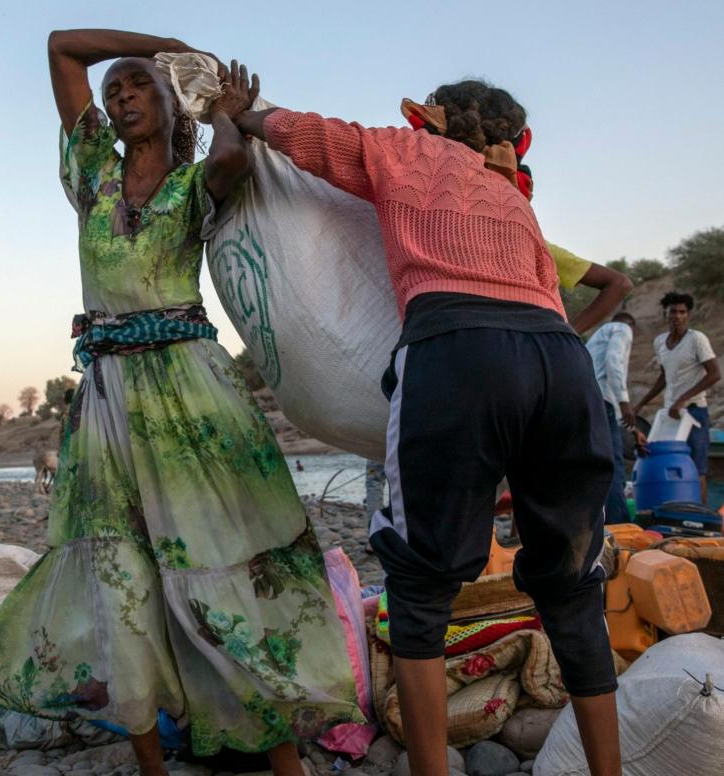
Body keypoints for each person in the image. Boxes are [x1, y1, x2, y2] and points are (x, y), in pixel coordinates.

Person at [0, 30, 362, 776]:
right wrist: (165, 48)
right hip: (110, 405)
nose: (121, 96)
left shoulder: (195, 184)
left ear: (170, 106)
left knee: (228, 568)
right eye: (114, 89)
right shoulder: (91, 176)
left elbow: (230, 158)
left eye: (139, 86)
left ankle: (286, 759)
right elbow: (61, 48)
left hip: (192, 398)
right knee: (119, 576)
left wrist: (216, 99)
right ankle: (150, 763)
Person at [238, 80, 621, 775]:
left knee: (420, 590)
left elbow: (305, 134)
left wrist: (241, 111)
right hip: (560, 363)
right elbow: (550, 288)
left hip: (456, 350)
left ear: (430, 118)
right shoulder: (513, 195)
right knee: (572, 584)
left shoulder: (402, 150)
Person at [635, 291, 720, 503]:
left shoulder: (696, 339)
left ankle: (700, 521)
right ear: (666, 313)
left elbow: (714, 374)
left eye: (682, 312)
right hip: (671, 415)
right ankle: (673, 513)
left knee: (697, 468)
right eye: (673, 311)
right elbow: (664, 376)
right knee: (670, 464)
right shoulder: (660, 342)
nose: (677, 316)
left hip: (694, 411)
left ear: (688, 315)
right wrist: (641, 403)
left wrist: (683, 398)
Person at [585, 312, 638, 522]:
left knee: (594, 465)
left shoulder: (597, 336)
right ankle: (618, 523)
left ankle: (596, 524)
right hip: (603, 402)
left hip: (587, 401)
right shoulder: (622, 329)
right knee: (613, 464)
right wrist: (624, 401)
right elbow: (613, 361)